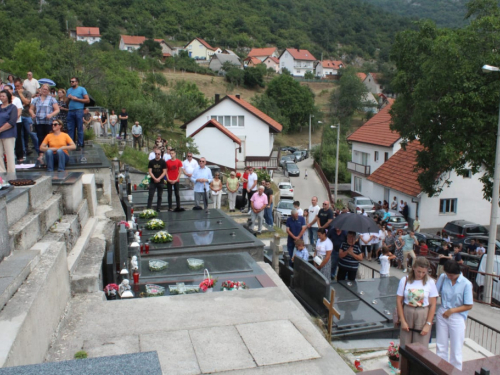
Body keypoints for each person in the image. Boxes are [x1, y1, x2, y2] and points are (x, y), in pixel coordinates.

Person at [435, 260, 473, 371]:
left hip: (457, 315)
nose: (449, 276)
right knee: (441, 345)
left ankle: (455, 372)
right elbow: (435, 292)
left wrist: (452, 311)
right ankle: (440, 369)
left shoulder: (466, 283)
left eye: (451, 275)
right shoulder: (443, 277)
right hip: (443, 312)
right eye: (447, 274)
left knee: (456, 348)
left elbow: (469, 305)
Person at [396, 257, 438, 350]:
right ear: (414, 268)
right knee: (405, 344)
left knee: (420, 345)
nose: (420, 274)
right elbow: (399, 300)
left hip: (422, 312)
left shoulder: (430, 282)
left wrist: (428, 324)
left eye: (423, 272)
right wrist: (402, 321)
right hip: (408, 311)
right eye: (419, 271)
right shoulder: (405, 280)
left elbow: (433, 304)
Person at [29, 84, 60, 161]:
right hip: (39, 121)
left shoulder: (52, 99)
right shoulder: (36, 99)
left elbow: (57, 109)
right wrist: (32, 114)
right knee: (40, 137)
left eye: (46, 89)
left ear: (48, 91)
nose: (44, 90)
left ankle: (50, 153)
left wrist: (51, 115)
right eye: (43, 89)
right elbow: (31, 109)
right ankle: (41, 153)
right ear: (40, 90)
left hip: (48, 121)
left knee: (49, 137)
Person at [66, 77, 89, 147]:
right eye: (70, 81)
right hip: (70, 111)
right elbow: (66, 102)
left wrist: (77, 99)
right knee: (70, 128)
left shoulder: (82, 89)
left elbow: (87, 100)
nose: (71, 83)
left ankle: (80, 143)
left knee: (79, 128)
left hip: (79, 110)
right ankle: (71, 143)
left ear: (77, 82)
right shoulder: (69, 90)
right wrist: (68, 98)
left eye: (73, 81)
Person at [0, 89, 18, 173]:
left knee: (9, 154)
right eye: (0, 96)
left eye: (3, 96)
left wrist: (0, 129)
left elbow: (12, 122)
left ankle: (11, 173)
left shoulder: (12, 107)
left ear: (8, 97)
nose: (1, 97)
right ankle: (1, 172)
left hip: (8, 134)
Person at [4, 85, 23, 162]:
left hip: (16, 122)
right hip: (5, 123)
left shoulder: (17, 99)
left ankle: (19, 156)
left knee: (18, 139)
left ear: (12, 90)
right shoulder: (2, 100)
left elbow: (19, 111)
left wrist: (13, 120)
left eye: (8, 89)